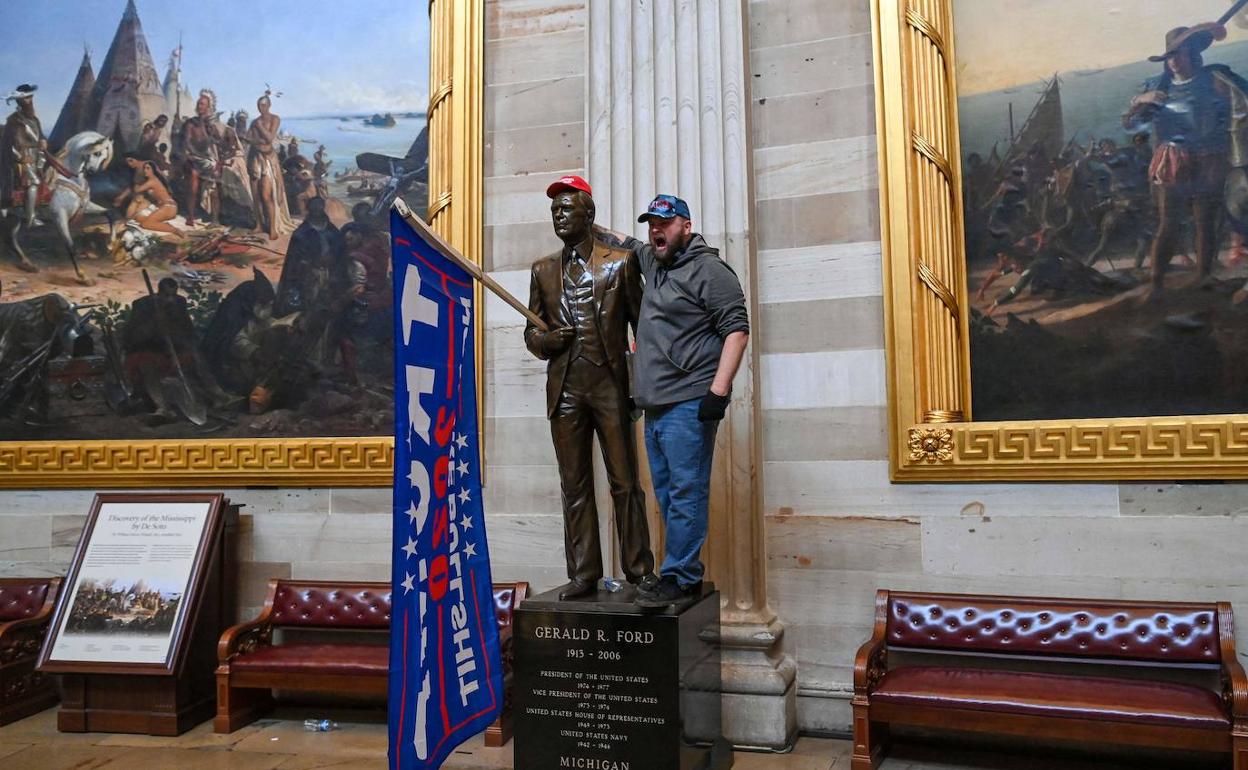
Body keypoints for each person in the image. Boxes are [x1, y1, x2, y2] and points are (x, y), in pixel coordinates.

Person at [523, 175, 656, 601]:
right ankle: (583, 573)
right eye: (554, 211)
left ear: (589, 213)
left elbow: (644, 330)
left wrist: (645, 389)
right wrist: (547, 341)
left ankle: (638, 570)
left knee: (625, 482)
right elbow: (531, 334)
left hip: (609, 387)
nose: (559, 216)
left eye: (566, 209)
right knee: (574, 486)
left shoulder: (620, 263)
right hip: (565, 392)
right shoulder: (543, 270)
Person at [629, 195, 749, 608]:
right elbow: (622, 243)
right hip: (655, 405)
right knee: (667, 492)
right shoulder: (654, 262)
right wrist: (584, 212)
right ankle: (682, 571)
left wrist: (717, 392)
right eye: (652, 224)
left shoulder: (709, 270)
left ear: (686, 225)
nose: (656, 230)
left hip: (689, 400)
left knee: (686, 491)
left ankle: (680, 576)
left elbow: (737, 331)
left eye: (665, 222)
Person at [1124, 22, 1248, 297]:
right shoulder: (1156, 87)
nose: (1173, 62)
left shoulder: (1216, 78)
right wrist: (1140, 100)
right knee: (1168, 223)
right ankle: (1156, 284)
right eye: (1169, 57)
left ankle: (1203, 276)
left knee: (1205, 221)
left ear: (1193, 53)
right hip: (1173, 164)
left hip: (1211, 161)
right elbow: (1131, 126)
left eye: (1179, 54)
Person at [246, 92, 295, 239]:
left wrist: (259, 127)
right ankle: (259, 225)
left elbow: (269, 138)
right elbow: (248, 138)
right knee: (256, 195)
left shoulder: (274, 119)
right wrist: (257, 141)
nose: (261, 108)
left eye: (263, 105)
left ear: (269, 105)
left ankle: (273, 228)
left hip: (268, 160)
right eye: (259, 105)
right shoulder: (254, 121)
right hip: (255, 159)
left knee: (267, 195)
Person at [1, 84, 46, 228]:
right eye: (26, 98)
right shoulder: (13, 120)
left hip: (36, 155)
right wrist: (21, 158)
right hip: (19, 157)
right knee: (32, 184)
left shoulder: (34, 119)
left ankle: (29, 212)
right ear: (19, 101)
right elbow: (11, 143)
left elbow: (40, 135)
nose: (30, 101)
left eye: (31, 97)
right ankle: (30, 219)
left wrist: (43, 140)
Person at [178, 90, 223, 227]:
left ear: (209, 107)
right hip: (195, 159)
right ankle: (191, 217)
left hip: (210, 159)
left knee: (214, 188)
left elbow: (218, 142)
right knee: (193, 184)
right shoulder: (191, 123)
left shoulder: (212, 124)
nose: (199, 106)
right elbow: (186, 142)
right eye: (199, 103)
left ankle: (215, 219)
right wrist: (193, 156)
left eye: (202, 104)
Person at [113, 154, 182, 236]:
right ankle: (162, 224)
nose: (145, 170)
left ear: (153, 170)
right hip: (163, 207)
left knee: (146, 224)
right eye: (144, 168)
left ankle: (175, 230)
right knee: (139, 218)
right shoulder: (149, 181)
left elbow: (136, 189)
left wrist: (136, 182)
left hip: (169, 207)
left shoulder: (152, 181)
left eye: (148, 168)